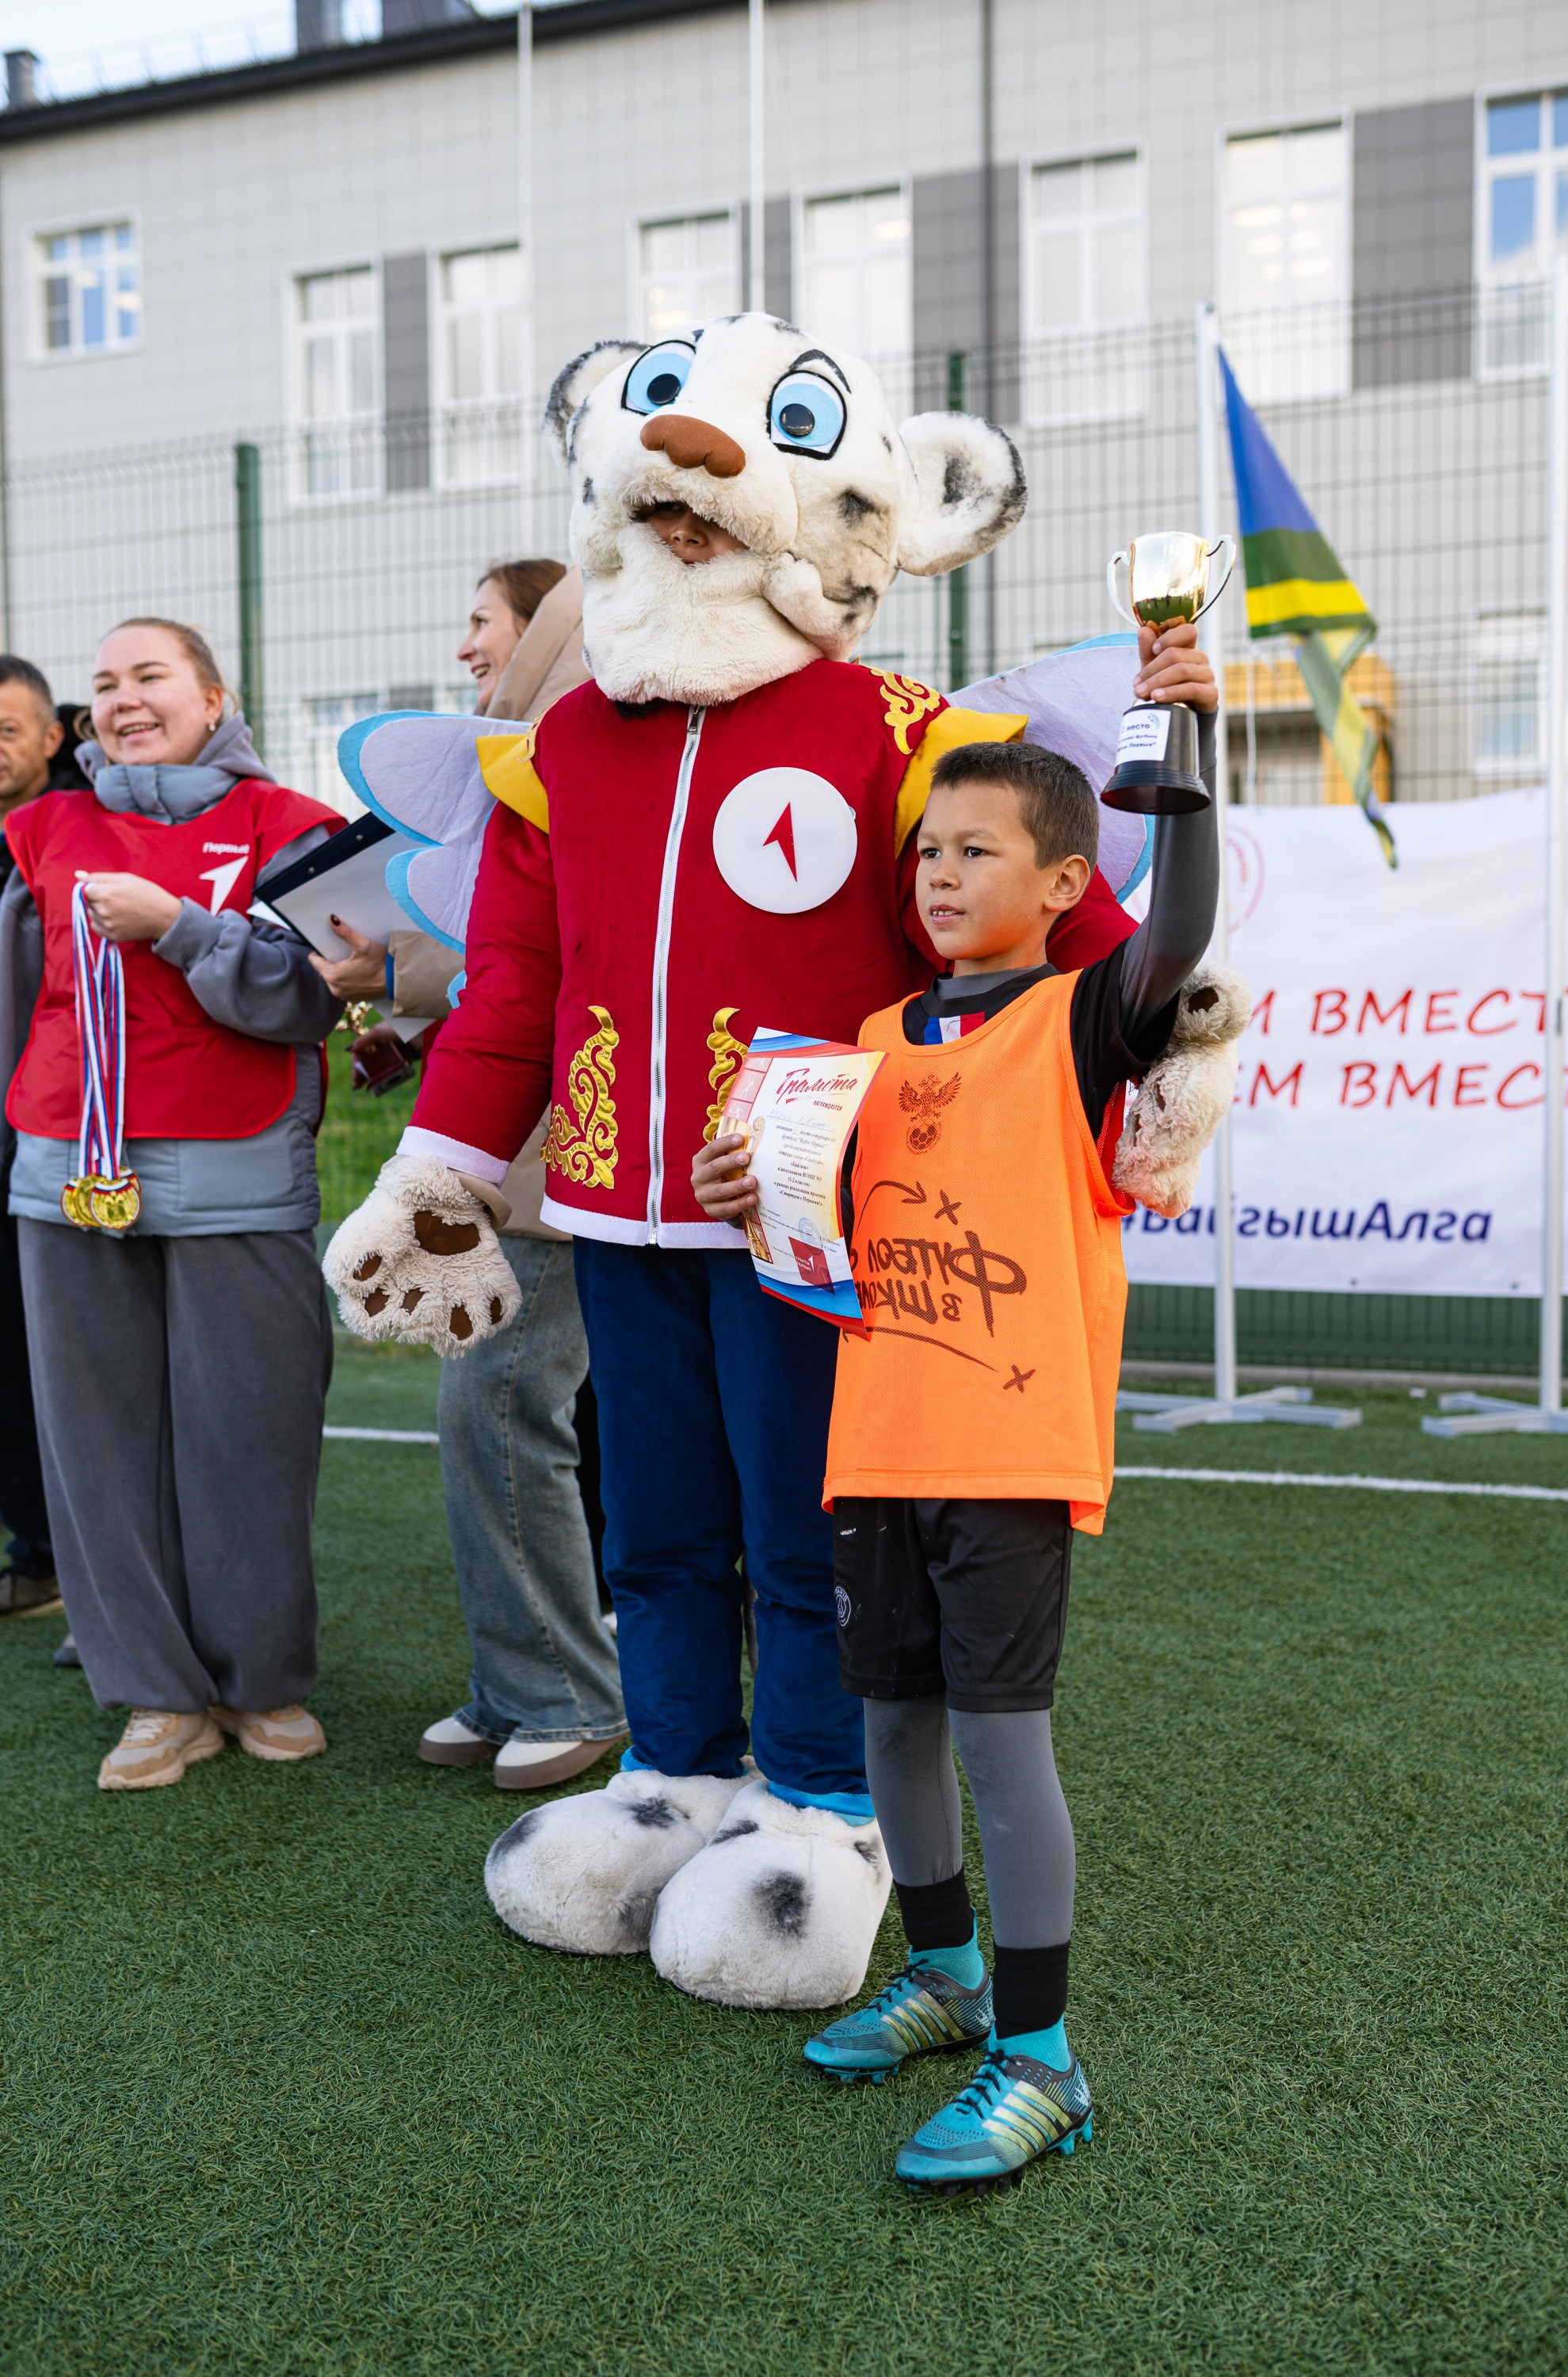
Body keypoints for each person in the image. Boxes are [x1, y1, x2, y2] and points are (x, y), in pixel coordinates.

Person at [322, 310, 1144, 2013]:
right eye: (663, 472)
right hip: (617, 1208)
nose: (689, 488)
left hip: (810, 1229)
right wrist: (443, 1170)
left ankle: (824, 1810)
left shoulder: (894, 726)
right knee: (658, 1531)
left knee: (808, 1534)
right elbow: (513, 990)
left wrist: (1161, 1047)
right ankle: (676, 1776)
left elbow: (1061, 926)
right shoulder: (563, 750)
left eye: (731, 472)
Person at [696, 639, 1223, 2192]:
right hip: (877, 1442)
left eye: (974, 849)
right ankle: (943, 1975)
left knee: (1003, 1747)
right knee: (893, 1728)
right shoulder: (857, 1049)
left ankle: (1043, 2060)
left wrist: (1178, 724)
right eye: (924, 848)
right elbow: (826, 1241)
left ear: (1063, 883)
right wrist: (753, 1197)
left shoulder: (1076, 1023)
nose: (934, 871)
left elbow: (1183, 923)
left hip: (1008, 1448)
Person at [0, 617, 346, 1789]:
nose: (123, 699)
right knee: (93, 1447)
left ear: (213, 696)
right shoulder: (43, 827)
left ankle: (261, 1680)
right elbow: (21, 997)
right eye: (103, 685)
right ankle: (152, 1693)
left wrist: (179, 927)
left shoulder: (288, 827)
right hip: (66, 1169)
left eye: (150, 676)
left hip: (238, 1168)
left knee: (250, 1435)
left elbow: (310, 998)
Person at [312, 561, 625, 1788]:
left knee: (504, 1408)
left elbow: (534, 966)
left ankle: (563, 1688)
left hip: (564, 1151)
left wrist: (402, 978)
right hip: (533, 1148)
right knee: (504, 1411)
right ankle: (527, 1682)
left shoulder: (580, 739)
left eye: (487, 627)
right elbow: (514, 965)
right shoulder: (541, 765)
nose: (470, 650)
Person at [0, 655, 74, 1622]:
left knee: (37, 1362)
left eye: (7, 728)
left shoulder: (67, 832)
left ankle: (56, 1553)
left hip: (46, 1141)